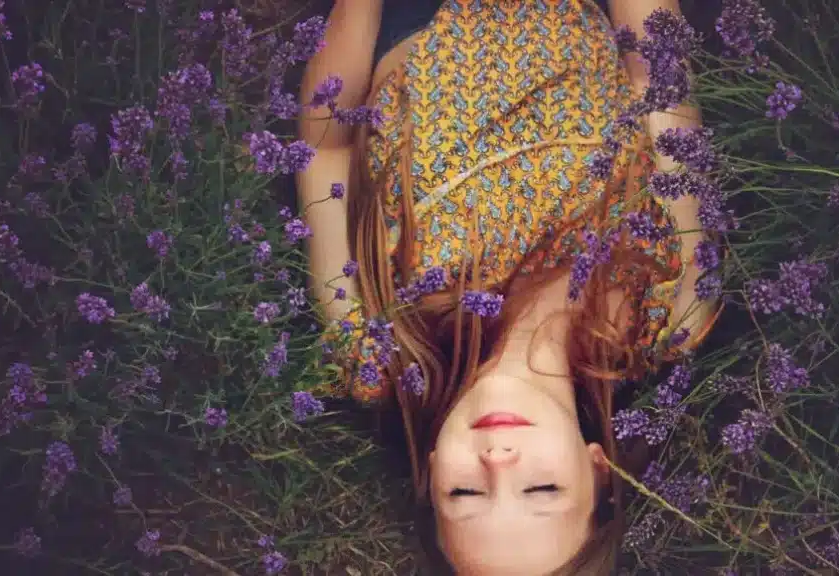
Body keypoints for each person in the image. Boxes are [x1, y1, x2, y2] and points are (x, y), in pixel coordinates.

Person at [296, 0, 720, 573]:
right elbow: (660, 86)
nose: (498, 461)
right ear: (598, 469)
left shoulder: (378, 356)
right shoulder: (670, 314)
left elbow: (326, 149)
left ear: (429, 477)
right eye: (542, 489)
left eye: (464, 495)